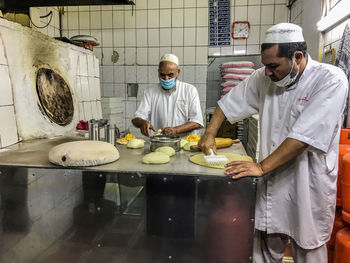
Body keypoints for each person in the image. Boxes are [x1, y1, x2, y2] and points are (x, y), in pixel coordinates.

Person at [198, 23, 349, 263]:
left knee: (308, 249)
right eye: (265, 66)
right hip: (273, 181)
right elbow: (227, 103)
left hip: (307, 182)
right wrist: (209, 133)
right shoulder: (263, 78)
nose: (267, 72)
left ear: (297, 57)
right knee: (265, 246)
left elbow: (302, 138)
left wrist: (260, 167)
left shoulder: (330, 80)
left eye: (273, 66)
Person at [132, 53, 203, 137]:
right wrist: (142, 123)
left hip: (183, 144)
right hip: (159, 144)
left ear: (178, 72)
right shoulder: (150, 92)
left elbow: (197, 122)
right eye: (162, 75)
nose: (166, 79)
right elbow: (136, 118)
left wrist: (176, 130)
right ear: (158, 72)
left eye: (170, 75)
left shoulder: (189, 90)